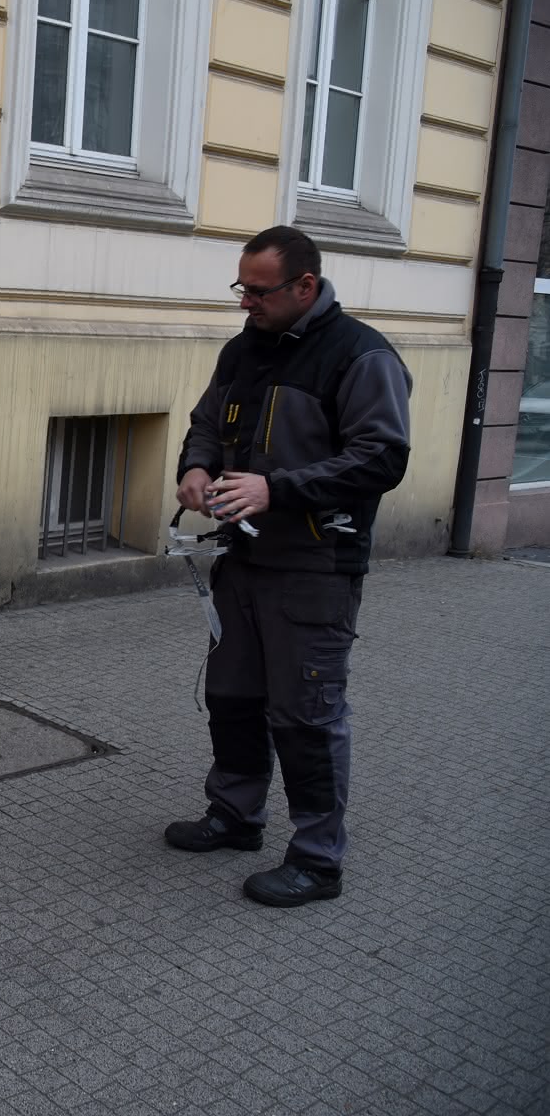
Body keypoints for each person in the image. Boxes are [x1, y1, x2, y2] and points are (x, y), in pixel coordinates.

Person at [165, 224, 411, 907]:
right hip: (242, 558)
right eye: (240, 287)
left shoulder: (361, 355)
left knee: (306, 716)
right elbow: (207, 422)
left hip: (315, 568)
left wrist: (276, 489)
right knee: (233, 699)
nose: (245, 301)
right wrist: (196, 467)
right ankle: (235, 814)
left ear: (305, 285)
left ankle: (317, 860)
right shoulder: (244, 347)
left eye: (258, 290)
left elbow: (381, 459)